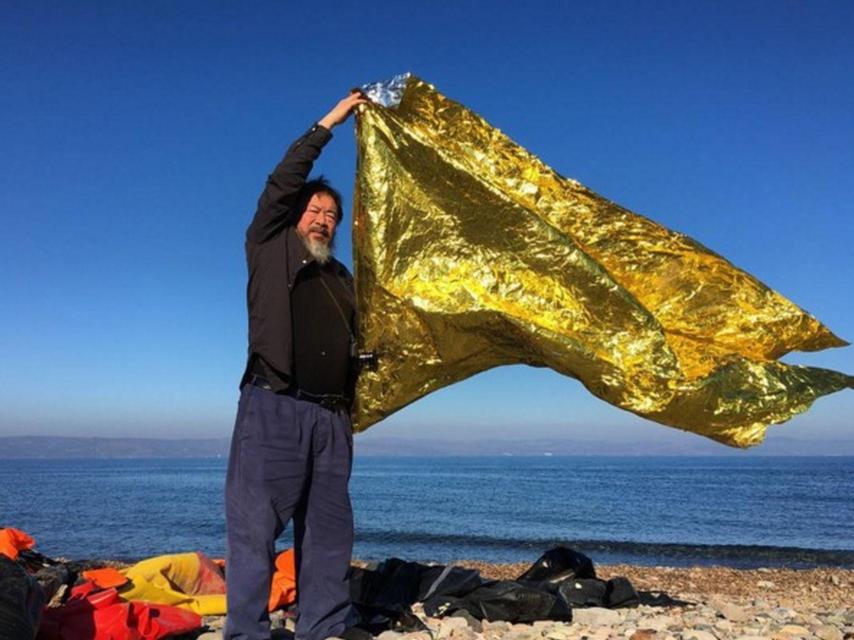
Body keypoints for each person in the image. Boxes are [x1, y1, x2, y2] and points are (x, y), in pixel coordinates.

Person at [225, 91, 368, 640]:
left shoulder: (343, 280)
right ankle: (247, 633)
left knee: (331, 534)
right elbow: (284, 180)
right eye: (315, 210)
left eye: (332, 216)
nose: (323, 221)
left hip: (332, 421)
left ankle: (323, 628)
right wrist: (331, 121)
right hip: (274, 407)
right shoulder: (269, 246)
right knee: (254, 531)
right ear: (293, 215)